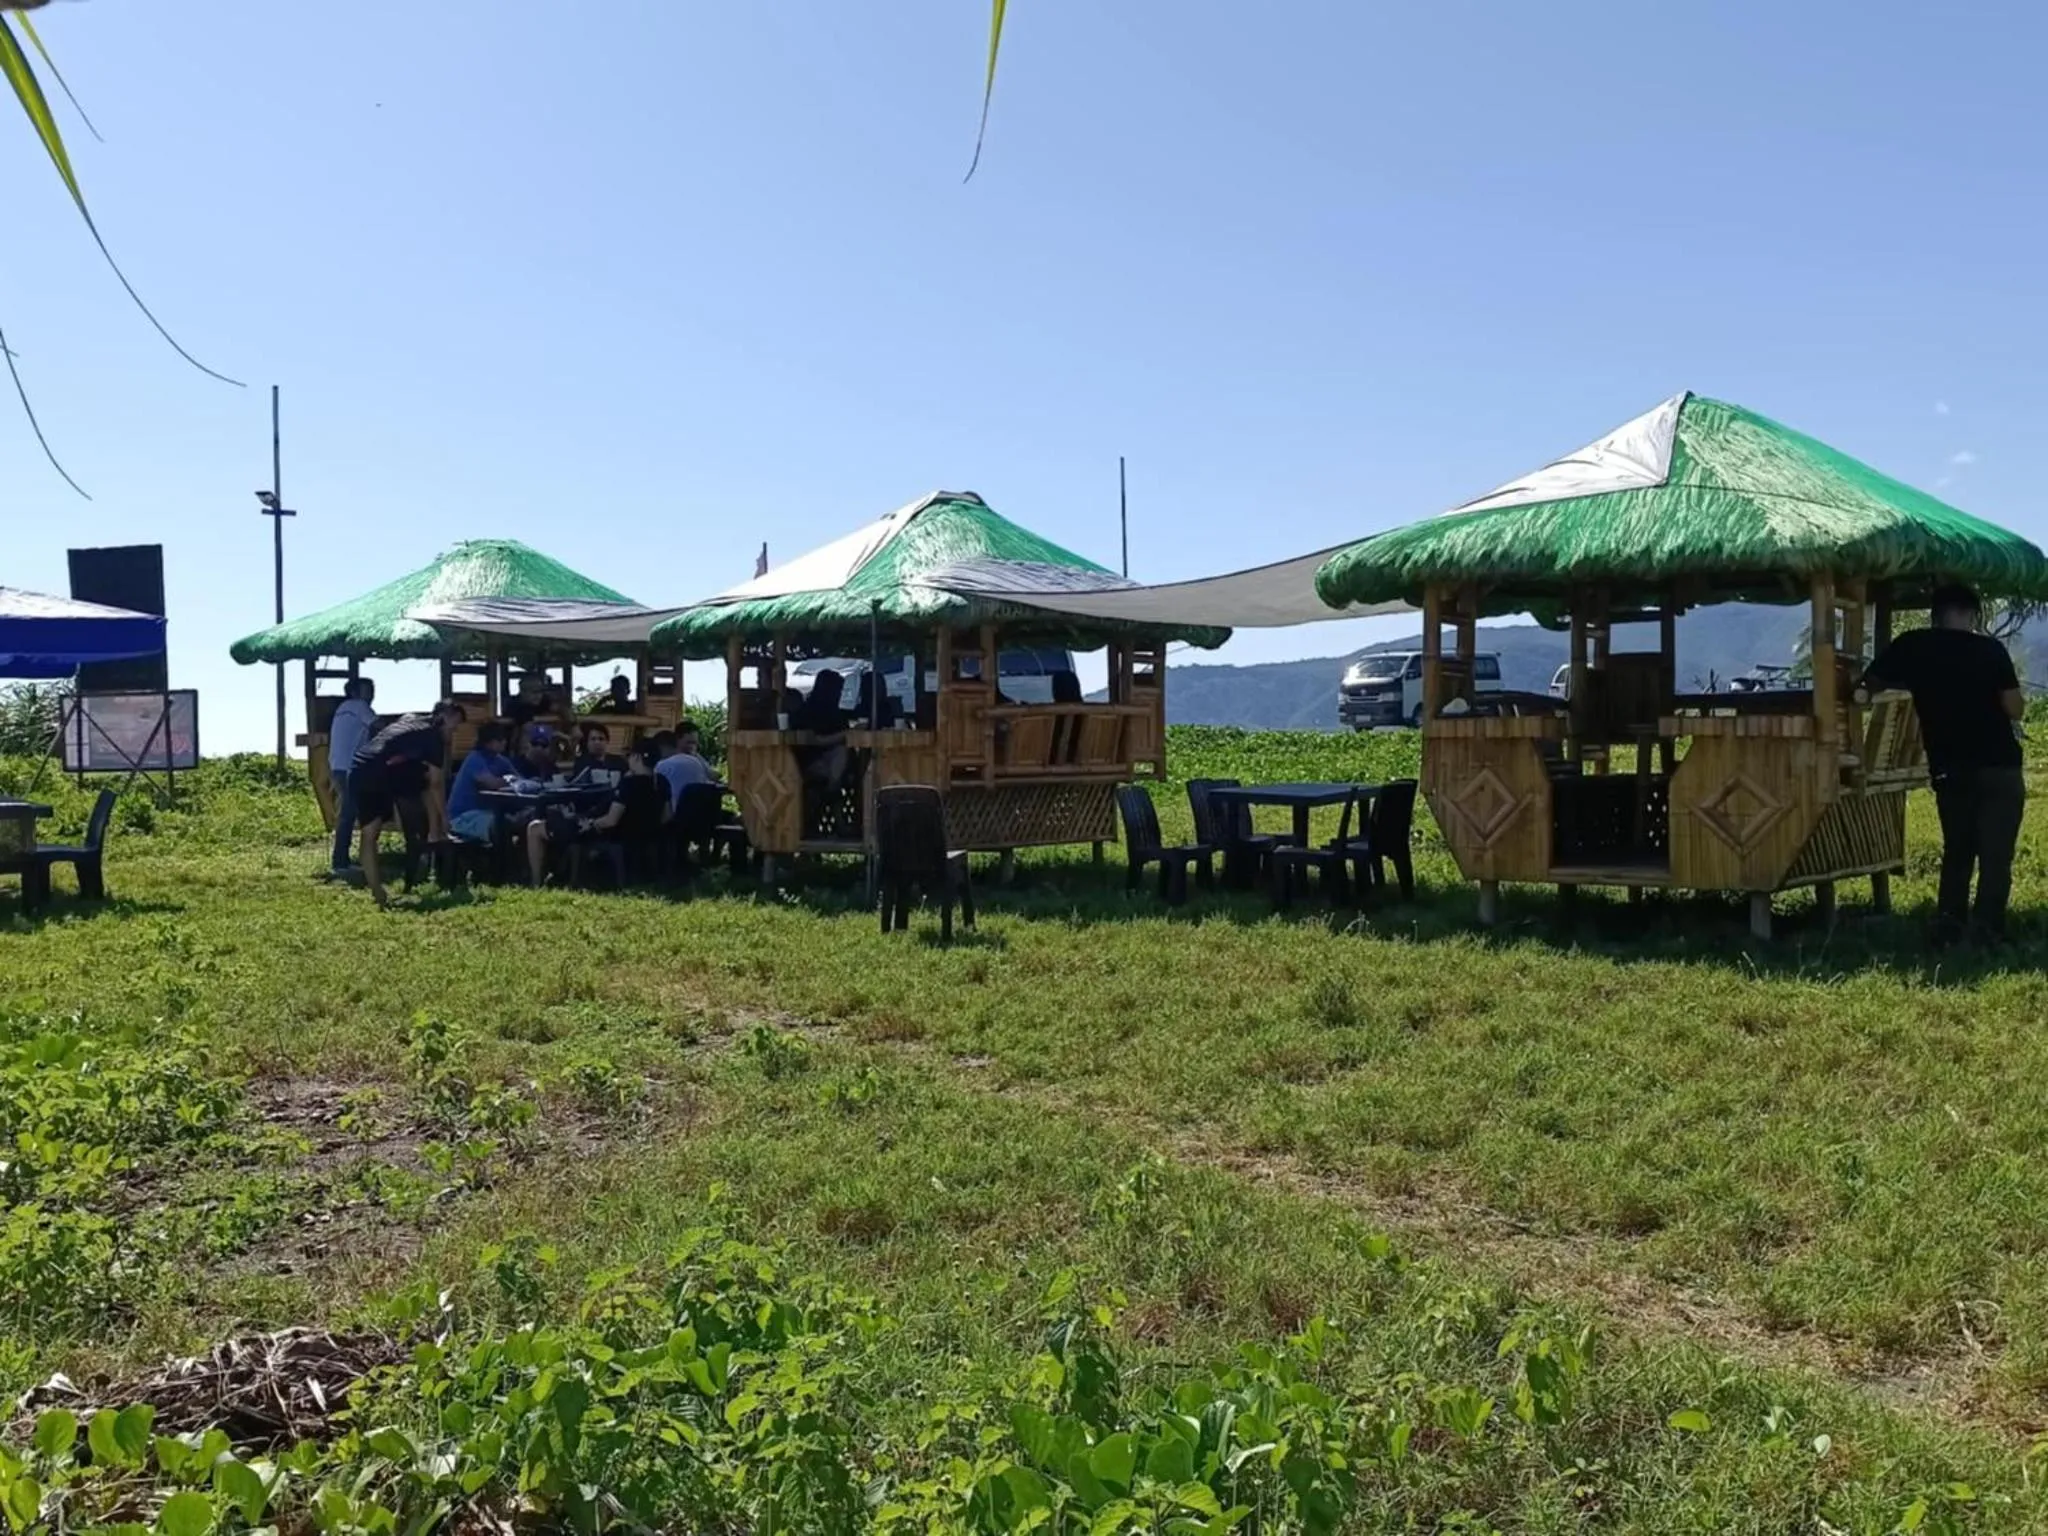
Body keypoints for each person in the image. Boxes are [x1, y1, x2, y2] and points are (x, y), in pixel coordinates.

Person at [1860, 583, 2027, 943]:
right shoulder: (1990, 649)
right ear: (1972, 614)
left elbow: (1868, 685)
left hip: (1950, 765)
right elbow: (2015, 707)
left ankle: (1949, 925)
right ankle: (1987, 931)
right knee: (1996, 856)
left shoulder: (1913, 645)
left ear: (1935, 614)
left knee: (1958, 849)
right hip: (2000, 764)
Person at [351, 700, 466, 906]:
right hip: (379, 773)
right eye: (454, 726)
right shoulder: (433, 738)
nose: (454, 732)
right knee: (425, 782)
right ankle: (433, 833)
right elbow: (437, 784)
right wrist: (445, 817)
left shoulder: (412, 720)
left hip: (359, 767)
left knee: (369, 835)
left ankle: (378, 892)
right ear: (442, 719)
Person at [524, 739, 669, 886]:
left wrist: (591, 823)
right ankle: (566, 874)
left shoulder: (629, 784)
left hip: (609, 834)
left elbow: (611, 820)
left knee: (535, 827)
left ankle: (536, 881)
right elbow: (666, 816)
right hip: (646, 836)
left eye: (630, 756)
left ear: (637, 757)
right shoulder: (662, 782)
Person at [325, 678, 378, 876]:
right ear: (355, 692)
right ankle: (340, 863)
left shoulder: (343, 708)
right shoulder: (359, 706)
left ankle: (344, 860)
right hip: (349, 767)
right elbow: (379, 725)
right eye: (367, 690)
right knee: (348, 814)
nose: (371, 694)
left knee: (348, 813)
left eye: (372, 690)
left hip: (337, 765)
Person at [446, 720, 517, 844]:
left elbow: (519, 779)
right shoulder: (475, 759)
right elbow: (492, 783)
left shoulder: (500, 760)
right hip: (463, 816)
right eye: (500, 740)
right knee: (502, 826)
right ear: (488, 742)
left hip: (486, 813)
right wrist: (509, 780)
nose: (504, 742)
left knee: (519, 823)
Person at [653, 721, 722, 810]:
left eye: (695, 743)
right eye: (689, 742)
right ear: (677, 739)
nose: (692, 746)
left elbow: (714, 776)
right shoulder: (664, 761)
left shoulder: (695, 757)